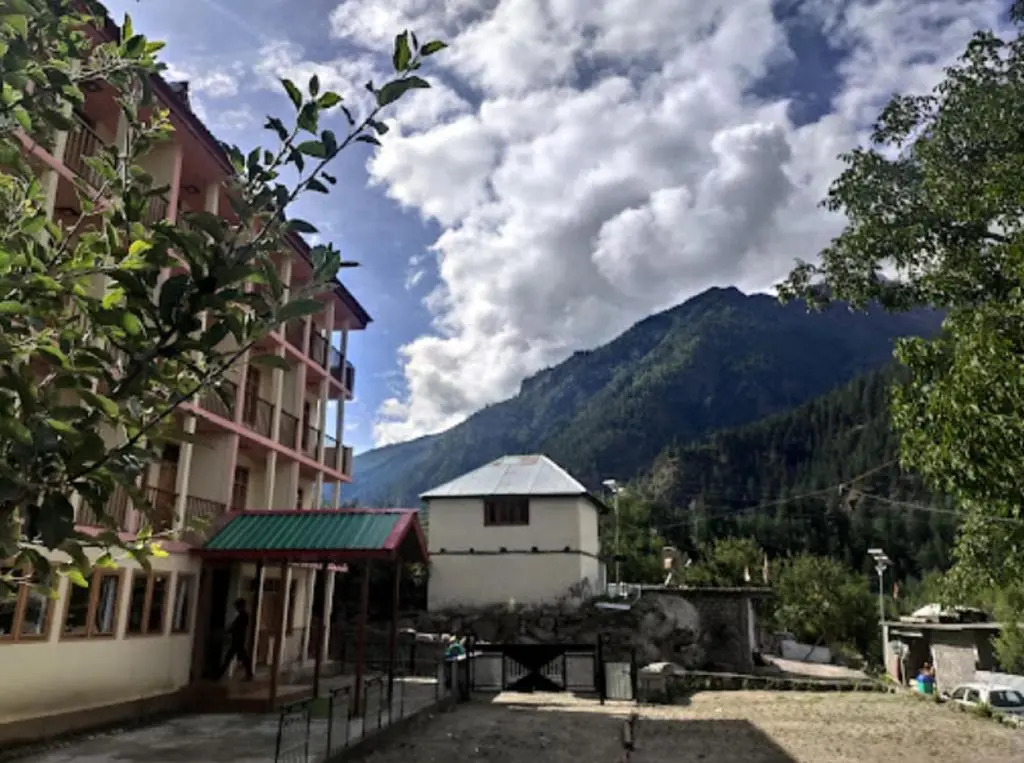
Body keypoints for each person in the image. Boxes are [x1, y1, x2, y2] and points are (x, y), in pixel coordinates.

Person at [219, 598, 254, 681]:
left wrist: (229, 631)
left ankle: (219, 674)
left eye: (237, 606)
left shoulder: (243, 616)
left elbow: (237, 627)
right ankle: (249, 674)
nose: (236, 608)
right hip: (238, 640)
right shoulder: (241, 616)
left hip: (238, 640)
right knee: (241, 658)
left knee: (231, 657)